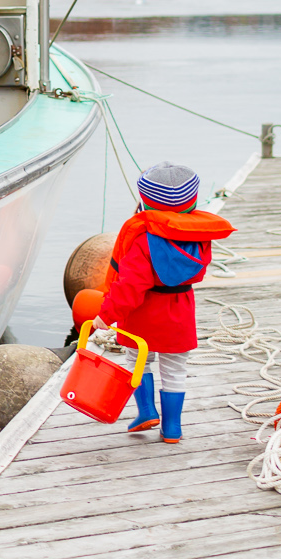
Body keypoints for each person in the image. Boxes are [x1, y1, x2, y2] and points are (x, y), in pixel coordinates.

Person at [95, 161, 234, 444]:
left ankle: (146, 411)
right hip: (179, 309)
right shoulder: (199, 235)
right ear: (192, 200)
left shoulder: (143, 240)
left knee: (137, 360)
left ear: (146, 201)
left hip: (144, 312)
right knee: (175, 370)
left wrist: (105, 316)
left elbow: (129, 287)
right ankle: (172, 428)